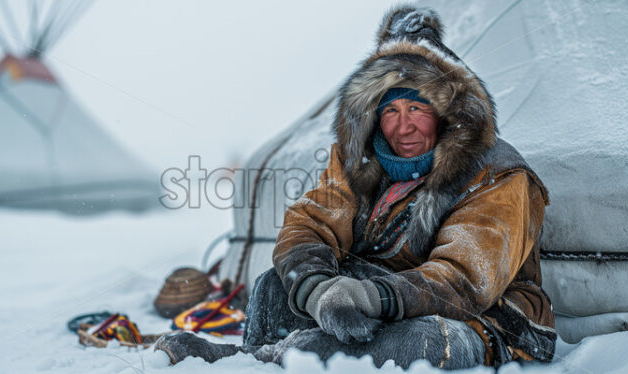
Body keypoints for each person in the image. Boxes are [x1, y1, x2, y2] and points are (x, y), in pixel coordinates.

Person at [155, 5, 556, 369]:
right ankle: (276, 357)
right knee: (277, 288)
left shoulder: (498, 173)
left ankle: (252, 362)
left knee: (414, 340)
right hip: (384, 289)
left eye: (417, 107)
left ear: (444, 109)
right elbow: (310, 223)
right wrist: (319, 290)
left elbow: (463, 280)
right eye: (391, 110)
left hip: (485, 317)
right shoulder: (360, 160)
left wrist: (367, 298)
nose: (404, 126)